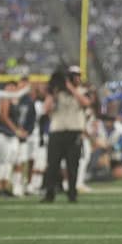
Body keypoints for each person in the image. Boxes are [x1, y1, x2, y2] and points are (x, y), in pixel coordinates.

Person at [42, 65, 92, 203]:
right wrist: (54, 93)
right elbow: (45, 109)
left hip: (74, 132)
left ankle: (72, 193)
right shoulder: (56, 93)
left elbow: (86, 103)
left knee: (72, 166)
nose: (78, 78)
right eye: (75, 76)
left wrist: (71, 89)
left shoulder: (83, 91)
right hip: (57, 132)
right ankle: (49, 193)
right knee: (52, 166)